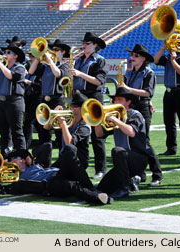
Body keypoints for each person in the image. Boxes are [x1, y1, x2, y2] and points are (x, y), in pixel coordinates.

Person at [94, 87, 148, 198]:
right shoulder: (116, 116)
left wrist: (115, 120)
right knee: (101, 188)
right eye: (115, 100)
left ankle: (124, 188)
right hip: (122, 162)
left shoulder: (135, 115)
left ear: (128, 102)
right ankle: (131, 180)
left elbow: (131, 132)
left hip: (138, 159)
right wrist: (97, 120)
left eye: (119, 99)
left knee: (117, 151)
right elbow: (99, 134)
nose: (116, 102)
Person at [123, 44, 163, 186]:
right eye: (132, 55)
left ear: (143, 58)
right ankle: (140, 173)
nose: (132, 58)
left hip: (142, 108)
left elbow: (148, 93)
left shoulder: (148, 73)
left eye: (135, 56)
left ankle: (157, 174)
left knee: (144, 142)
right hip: (130, 109)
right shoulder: (129, 72)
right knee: (133, 143)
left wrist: (129, 89)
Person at [70, 32, 108, 179]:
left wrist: (79, 74)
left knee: (97, 136)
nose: (83, 46)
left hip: (93, 97)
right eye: (83, 43)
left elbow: (99, 81)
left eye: (87, 43)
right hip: (79, 97)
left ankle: (101, 168)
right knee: (80, 134)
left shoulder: (99, 60)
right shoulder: (79, 59)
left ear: (95, 45)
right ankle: (81, 166)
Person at [28, 39, 70, 149]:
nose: (53, 51)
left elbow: (58, 74)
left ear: (63, 52)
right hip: (44, 100)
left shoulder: (64, 65)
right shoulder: (45, 66)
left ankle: (62, 159)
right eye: (52, 49)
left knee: (59, 132)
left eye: (56, 50)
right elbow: (31, 72)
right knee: (44, 132)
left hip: (57, 100)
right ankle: (45, 160)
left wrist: (50, 61)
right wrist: (37, 59)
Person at [0, 44, 26, 156]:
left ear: (16, 56)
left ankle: (21, 157)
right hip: (0, 102)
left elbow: (12, 77)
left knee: (17, 132)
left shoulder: (20, 68)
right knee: (4, 133)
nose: (5, 54)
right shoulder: (0, 68)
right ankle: (6, 157)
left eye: (8, 52)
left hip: (14, 102)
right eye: (5, 52)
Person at [154, 40, 180, 158]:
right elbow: (155, 60)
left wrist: (173, 60)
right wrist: (163, 48)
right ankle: (171, 148)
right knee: (169, 122)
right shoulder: (167, 56)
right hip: (169, 92)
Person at [23, 51, 43, 149]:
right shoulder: (27, 67)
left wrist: (30, 83)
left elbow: (42, 86)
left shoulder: (41, 68)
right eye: (30, 56)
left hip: (37, 97)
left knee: (29, 122)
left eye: (33, 56)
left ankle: (26, 146)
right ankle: (41, 143)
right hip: (28, 98)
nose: (30, 58)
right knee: (35, 123)